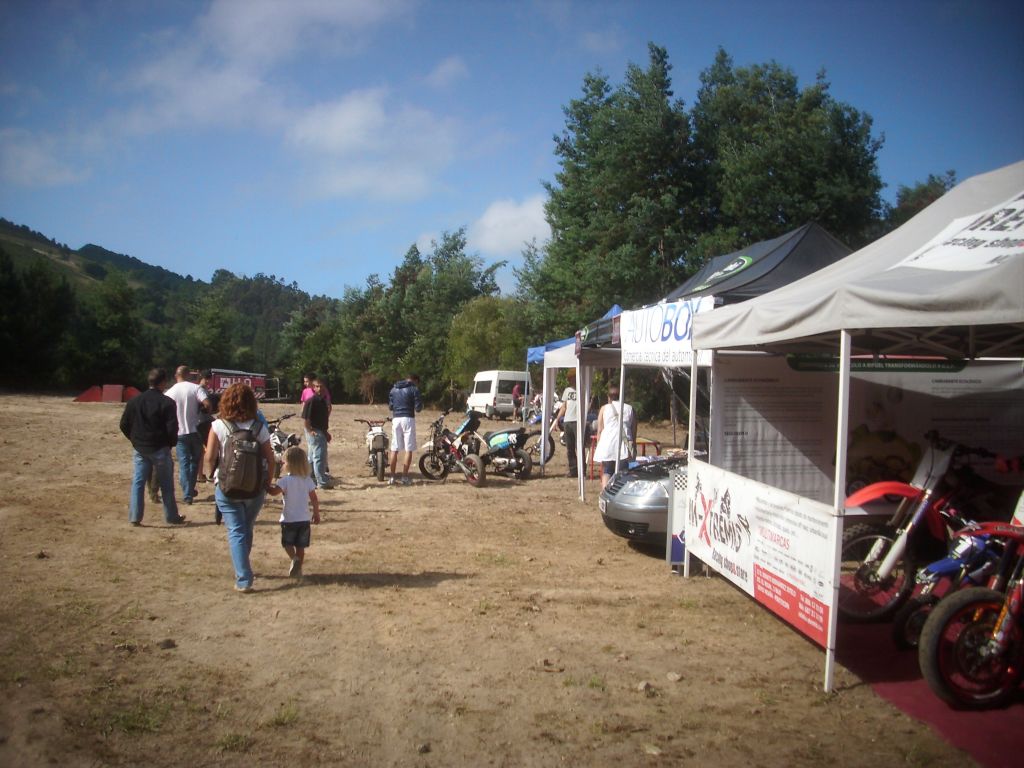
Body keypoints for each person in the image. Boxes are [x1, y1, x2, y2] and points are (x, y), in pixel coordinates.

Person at [204, 383, 275, 593]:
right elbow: (271, 460)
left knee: (236, 531)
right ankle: (244, 566)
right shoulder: (259, 428)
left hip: (227, 487)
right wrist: (267, 483)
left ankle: (243, 577)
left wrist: (211, 476)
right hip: (254, 488)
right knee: (247, 527)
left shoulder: (218, 426)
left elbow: (210, 456)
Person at [119, 368, 186, 526]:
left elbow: (124, 424)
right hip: (160, 448)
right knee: (166, 484)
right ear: (163, 382)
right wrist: (170, 444)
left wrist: (135, 440)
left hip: (140, 448)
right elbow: (172, 428)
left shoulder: (135, 401)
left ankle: (135, 517)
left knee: (138, 482)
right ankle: (171, 516)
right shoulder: (167, 403)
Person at [267, 446, 321, 579]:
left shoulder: (284, 481)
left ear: (289, 464)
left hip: (288, 519)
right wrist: (316, 512)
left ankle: (294, 559)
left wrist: (265, 485)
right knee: (301, 546)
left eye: (284, 462)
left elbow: (274, 492)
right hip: (303, 519)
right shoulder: (307, 480)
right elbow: (314, 498)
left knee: (287, 543)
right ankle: (298, 570)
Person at [164, 365, 211, 505]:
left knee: (183, 463)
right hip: (194, 430)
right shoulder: (195, 388)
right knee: (194, 462)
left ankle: (187, 492)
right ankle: (189, 490)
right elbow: (207, 404)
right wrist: (202, 411)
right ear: (188, 375)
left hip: (179, 433)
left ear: (176, 376)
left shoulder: (169, 392)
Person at [592, 386, 637, 490]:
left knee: (607, 471)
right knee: (624, 472)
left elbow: (599, 430)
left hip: (607, 444)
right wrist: (633, 447)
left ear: (609, 397)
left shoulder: (604, 409)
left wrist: (599, 446)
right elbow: (633, 431)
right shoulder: (630, 409)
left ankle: (605, 492)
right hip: (625, 444)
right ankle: (620, 493)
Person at [388, 373, 423, 486]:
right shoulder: (414, 389)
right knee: (408, 449)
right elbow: (418, 408)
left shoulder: (393, 389)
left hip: (396, 419)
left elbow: (390, 407)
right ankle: (404, 477)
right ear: (415, 380)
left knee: (394, 448)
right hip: (408, 418)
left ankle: (392, 477)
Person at [301, 377, 333, 490]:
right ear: (313, 388)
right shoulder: (311, 401)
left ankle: (311, 480)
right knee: (319, 457)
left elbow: (323, 418)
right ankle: (322, 482)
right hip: (315, 432)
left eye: (322, 386)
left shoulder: (323, 401)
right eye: (317, 386)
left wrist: (326, 432)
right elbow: (305, 419)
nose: (320, 388)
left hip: (321, 431)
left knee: (312, 457)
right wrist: (310, 431)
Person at [550, 369, 579, 478]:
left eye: (572, 377)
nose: (571, 380)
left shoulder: (582, 387)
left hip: (578, 420)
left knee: (579, 447)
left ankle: (581, 470)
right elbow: (564, 406)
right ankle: (573, 470)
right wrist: (557, 419)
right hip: (567, 420)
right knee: (569, 448)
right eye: (570, 378)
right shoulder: (567, 390)